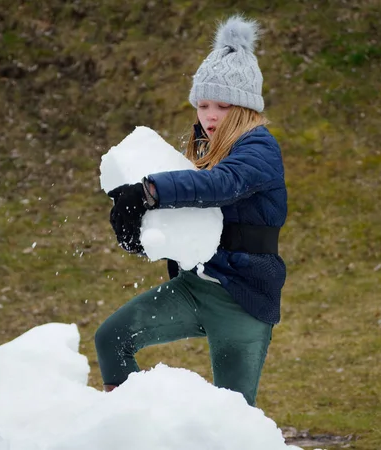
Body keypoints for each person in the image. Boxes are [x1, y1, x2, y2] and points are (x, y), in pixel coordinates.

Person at [95, 15, 288, 407]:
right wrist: (143, 230)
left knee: (234, 419)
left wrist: (149, 191)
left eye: (223, 105)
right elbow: (191, 213)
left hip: (242, 302)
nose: (210, 115)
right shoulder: (202, 146)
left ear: (246, 108)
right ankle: (137, 431)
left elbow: (220, 186)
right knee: (110, 339)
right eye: (203, 104)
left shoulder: (259, 149)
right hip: (192, 288)